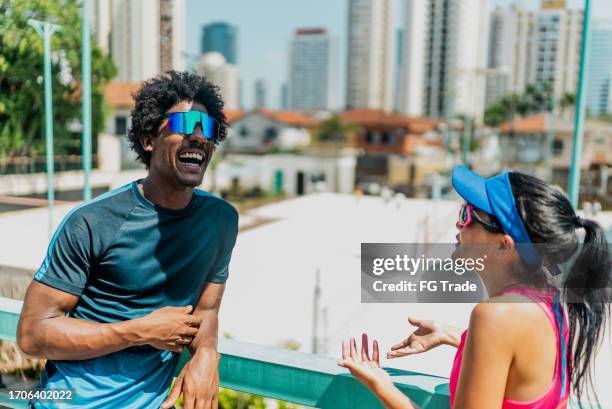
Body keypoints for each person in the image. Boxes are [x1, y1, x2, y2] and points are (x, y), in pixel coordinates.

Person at [17, 71, 238, 409]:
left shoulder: (221, 220)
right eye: (184, 123)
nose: (198, 137)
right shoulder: (92, 221)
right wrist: (139, 331)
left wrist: (207, 354)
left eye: (207, 128)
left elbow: (206, 309)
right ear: (149, 139)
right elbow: (32, 335)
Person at [339, 165, 610, 409]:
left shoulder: (495, 316)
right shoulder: (549, 303)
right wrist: (456, 336)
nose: (458, 225)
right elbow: (524, 362)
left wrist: (380, 384)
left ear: (504, 245)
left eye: (468, 215)